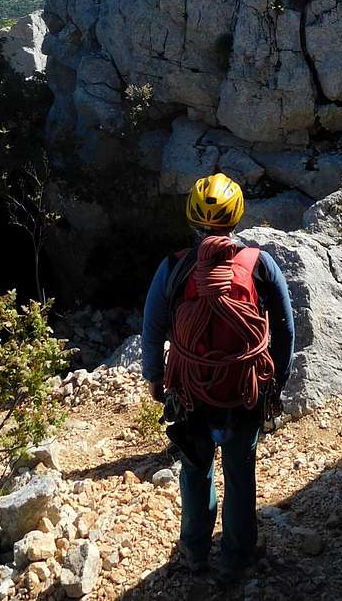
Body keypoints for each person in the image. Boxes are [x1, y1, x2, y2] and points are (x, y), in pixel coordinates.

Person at [142, 173, 295, 583]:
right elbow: (284, 328)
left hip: (191, 389)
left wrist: (155, 377)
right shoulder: (260, 264)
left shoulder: (173, 267)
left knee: (195, 468)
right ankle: (237, 556)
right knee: (240, 471)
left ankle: (195, 551)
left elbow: (154, 328)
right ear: (237, 216)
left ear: (193, 217)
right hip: (244, 389)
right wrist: (275, 382)